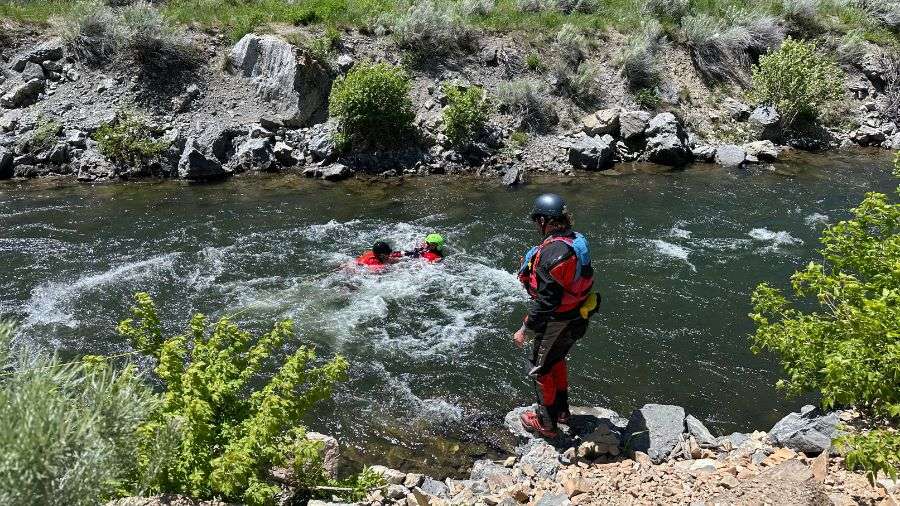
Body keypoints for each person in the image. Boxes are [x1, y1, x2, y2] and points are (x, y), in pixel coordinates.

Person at [514, 193, 599, 438]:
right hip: (578, 316)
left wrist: (524, 329)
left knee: (539, 368)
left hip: (558, 321)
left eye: (536, 221)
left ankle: (546, 423)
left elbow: (546, 302)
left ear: (544, 220)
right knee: (556, 359)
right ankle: (562, 412)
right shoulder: (575, 240)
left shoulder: (552, 255)